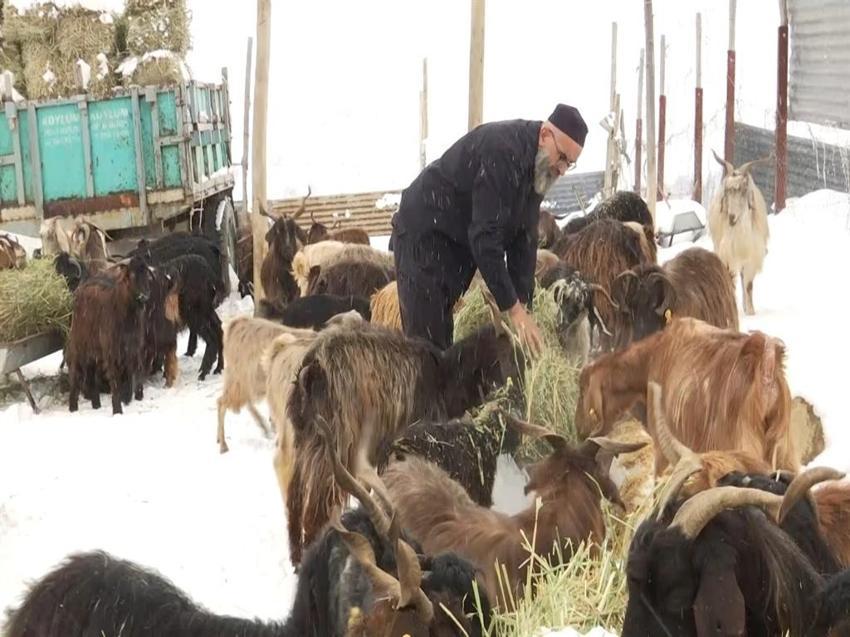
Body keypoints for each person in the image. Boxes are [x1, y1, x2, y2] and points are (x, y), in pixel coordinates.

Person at [390, 103, 588, 354]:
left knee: (443, 342)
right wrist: (513, 310)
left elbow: (523, 238)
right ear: (545, 135)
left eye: (570, 163)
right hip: (425, 233)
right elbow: (485, 238)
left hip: (454, 242)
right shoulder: (503, 152)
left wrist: (524, 305)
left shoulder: (539, 169)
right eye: (561, 157)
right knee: (428, 349)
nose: (562, 169)